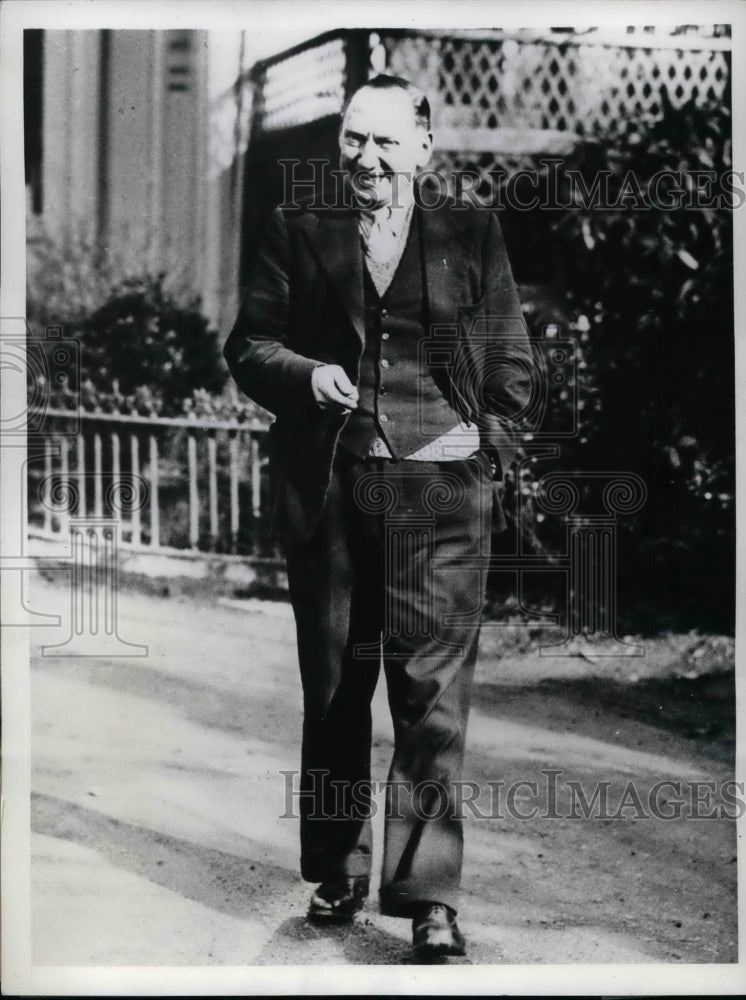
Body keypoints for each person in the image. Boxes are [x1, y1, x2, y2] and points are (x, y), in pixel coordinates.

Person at [224, 73, 537, 959]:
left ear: (423, 149)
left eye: (386, 142)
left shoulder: (470, 231)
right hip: (331, 490)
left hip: (439, 501)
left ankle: (428, 896)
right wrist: (305, 375)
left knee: (432, 699)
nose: (366, 159)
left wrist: (483, 453)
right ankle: (338, 869)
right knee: (334, 694)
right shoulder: (299, 225)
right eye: (354, 140)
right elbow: (248, 345)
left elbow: (512, 360)